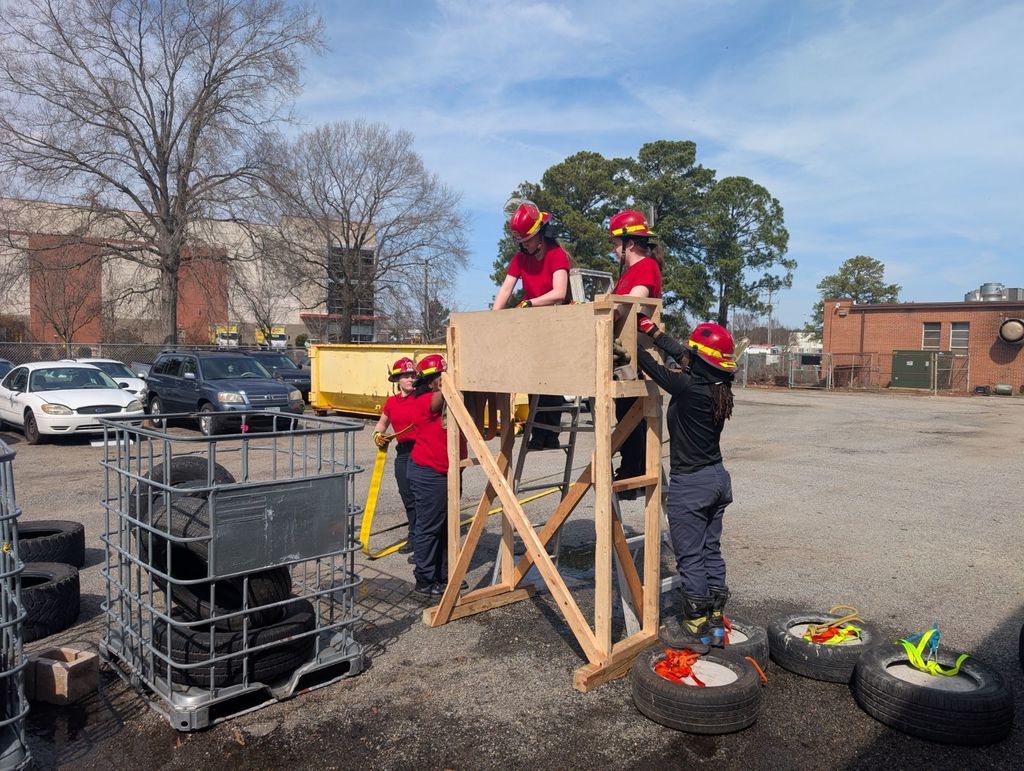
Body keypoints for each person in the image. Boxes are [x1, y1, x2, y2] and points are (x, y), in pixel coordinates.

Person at [635, 318, 737, 652]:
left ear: (701, 360)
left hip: (692, 484)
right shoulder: (716, 384)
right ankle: (714, 621)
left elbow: (648, 364)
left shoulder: (687, 387)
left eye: (693, 353)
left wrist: (620, 337)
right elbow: (685, 356)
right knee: (711, 551)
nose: (687, 356)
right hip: (717, 479)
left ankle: (695, 628)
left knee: (691, 557)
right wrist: (654, 333)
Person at [493, 200, 571, 450]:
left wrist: (529, 303)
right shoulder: (520, 258)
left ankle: (551, 433)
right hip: (535, 324)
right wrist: (495, 316)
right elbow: (506, 288)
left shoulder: (556, 255)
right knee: (532, 378)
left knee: (552, 381)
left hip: (558, 321)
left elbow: (559, 292)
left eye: (527, 240)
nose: (524, 245)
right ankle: (538, 432)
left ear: (541, 234)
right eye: (521, 241)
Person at [608, 210, 663, 497]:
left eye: (616, 244)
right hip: (624, 346)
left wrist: (610, 311)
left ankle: (634, 471)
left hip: (635, 350)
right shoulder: (628, 273)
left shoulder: (646, 268)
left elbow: (633, 302)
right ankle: (631, 468)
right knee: (625, 412)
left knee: (630, 413)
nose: (614, 250)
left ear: (629, 243)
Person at [406, 353, 467, 598]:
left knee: (447, 527)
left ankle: (445, 575)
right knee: (429, 528)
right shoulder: (422, 401)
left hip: (449, 473)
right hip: (429, 474)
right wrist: (451, 381)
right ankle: (425, 579)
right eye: (440, 378)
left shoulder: (453, 402)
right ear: (431, 381)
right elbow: (440, 399)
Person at [371, 357, 419, 556]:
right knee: (407, 496)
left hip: (421, 451)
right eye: (406, 376)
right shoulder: (392, 402)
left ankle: (422, 541)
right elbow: (382, 424)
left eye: (413, 375)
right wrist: (377, 435)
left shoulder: (422, 398)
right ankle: (414, 536)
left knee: (422, 498)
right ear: (397, 379)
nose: (410, 379)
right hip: (403, 453)